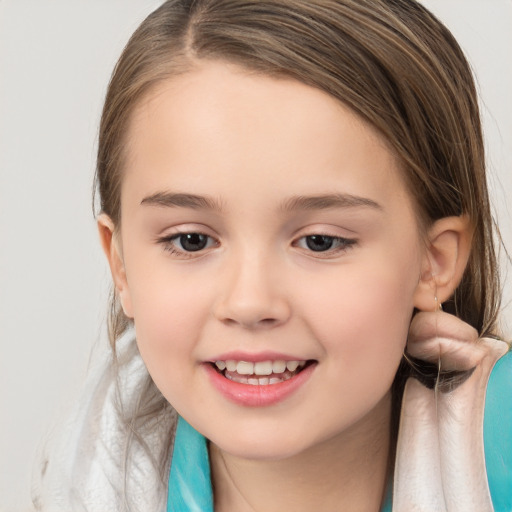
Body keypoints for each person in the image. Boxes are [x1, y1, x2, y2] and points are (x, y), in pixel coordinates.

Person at [32, 0, 511, 510]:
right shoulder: (82, 480)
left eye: (320, 241)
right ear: (121, 265)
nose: (250, 301)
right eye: (191, 240)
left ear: (434, 261)